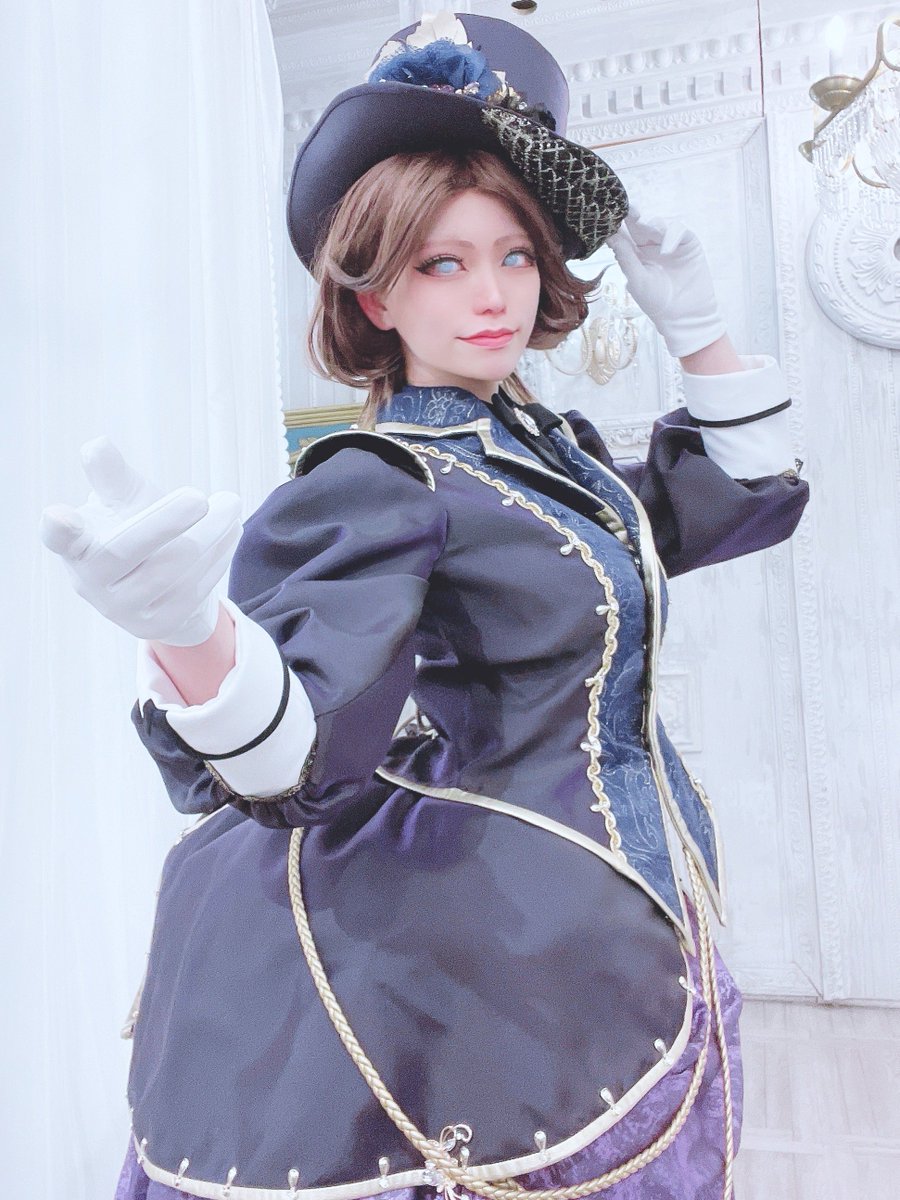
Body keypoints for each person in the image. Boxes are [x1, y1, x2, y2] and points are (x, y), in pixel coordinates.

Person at [42, 12, 808, 1200]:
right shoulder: (380, 480)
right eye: (441, 264)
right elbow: (307, 757)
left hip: (621, 909)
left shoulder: (542, 451)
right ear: (374, 300)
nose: (493, 295)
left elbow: (730, 508)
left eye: (515, 254)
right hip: (501, 960)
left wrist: (700, 334)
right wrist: (192, 635)